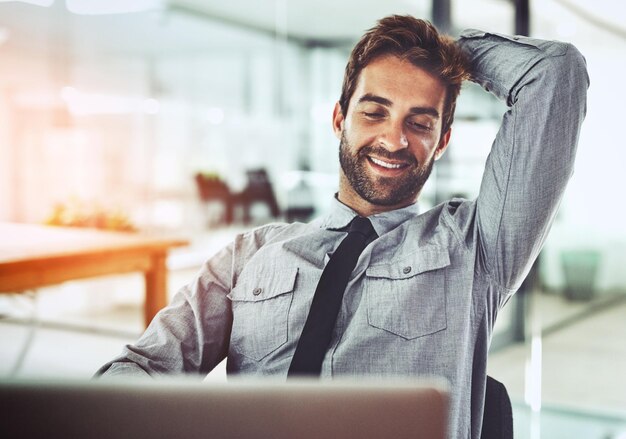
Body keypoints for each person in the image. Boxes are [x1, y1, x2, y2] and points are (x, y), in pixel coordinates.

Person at [96, 15, 588, 438]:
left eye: (420, 122)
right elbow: (142, 367)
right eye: (375, 112)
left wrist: (449, 51)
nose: (393, 139)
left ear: (442, 142)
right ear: (339, 119)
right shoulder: (251, 254)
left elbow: (555, 73)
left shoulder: (475, 247)